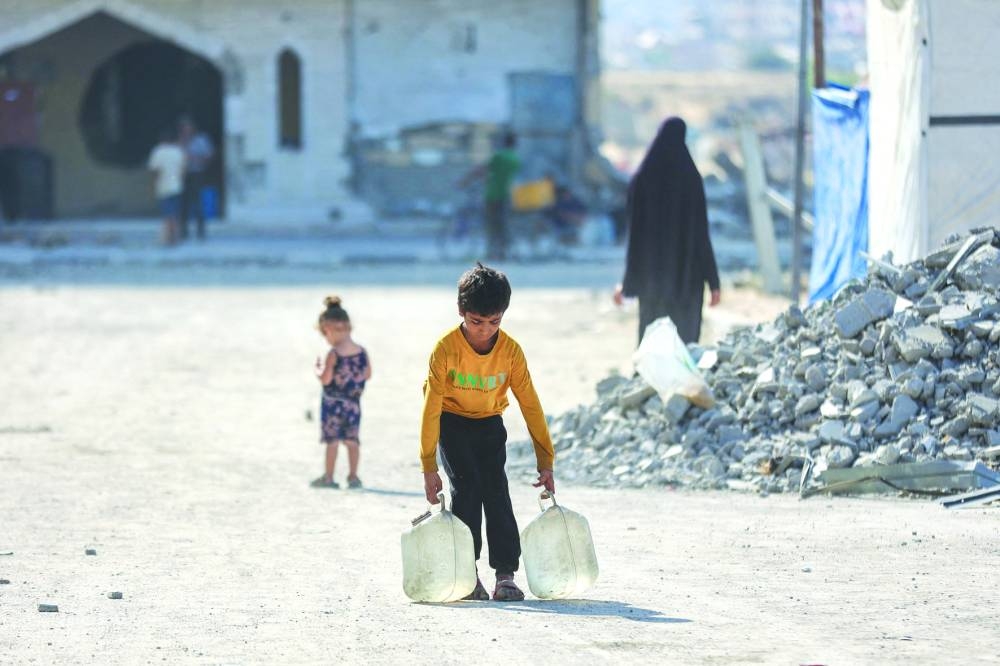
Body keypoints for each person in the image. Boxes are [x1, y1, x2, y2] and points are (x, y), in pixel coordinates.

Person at [420, 263, 555, 602]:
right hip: (451, 421)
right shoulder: (445, 349)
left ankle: (506, 574)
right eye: (476, 322)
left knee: (496, 491)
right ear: (461, 312)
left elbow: (531, 405)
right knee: (466, 490)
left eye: (494, 322)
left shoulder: (510, 351)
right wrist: (428, 466)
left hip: (489, 423)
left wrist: (546, 461)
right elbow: (431, 407)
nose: (484, 331)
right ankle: (468, 574)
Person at [614, 117, 721, 345]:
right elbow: (701, 235)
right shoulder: (691, 179)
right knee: (686, 341)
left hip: (651, 279)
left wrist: (627, 282)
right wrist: (714, 283)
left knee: (653, 340)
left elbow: (635, 238)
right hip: (687, 279)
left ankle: (649, 380)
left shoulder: (642, 179)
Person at [311, 296, 371, 489]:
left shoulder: (333, 353)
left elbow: (326, 379)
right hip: (353, 404)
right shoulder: (361, 351)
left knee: (333, 442)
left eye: (325, 334)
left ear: (328, 329)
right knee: (352, 441)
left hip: (332, 405)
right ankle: (353, 477)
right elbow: (368, 374)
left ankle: (329, 478)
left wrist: (318, 368)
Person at [460, 131, 520, 261]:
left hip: (493, 194)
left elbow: (482, 170)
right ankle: (503, 252)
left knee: (491, 225)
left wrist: (464, 181)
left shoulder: (499, 156)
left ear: (503, 142)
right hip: (508, 195)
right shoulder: (515, 158)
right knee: (502, 224)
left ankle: (492, 252)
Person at [147, 126, 186, 246]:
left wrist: (154, 183)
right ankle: (176, 237)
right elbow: (183, 170)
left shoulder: (158, 151)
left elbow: (155, 170)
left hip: (163, 187)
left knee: (167, 214)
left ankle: (170, 239)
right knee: (175, 213)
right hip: (177, 186)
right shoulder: (179, 151)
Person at [178, 116, 215, 241]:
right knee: (183, 203)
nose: (186, 130)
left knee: (198, 202)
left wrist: (196, 159)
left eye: (188, 128)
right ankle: (184, 231)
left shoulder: (201, 140)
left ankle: (201, 231)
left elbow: (209, 155)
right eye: (184, 128)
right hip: (182, 174)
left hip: (197, 173)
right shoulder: (179, 141)